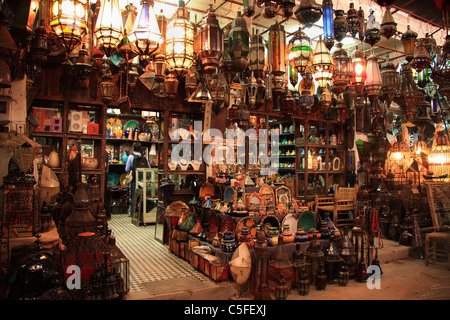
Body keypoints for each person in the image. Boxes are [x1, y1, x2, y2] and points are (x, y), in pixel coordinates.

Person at [125, 142, 150, 216]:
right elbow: (149, 168)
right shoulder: (144, 157)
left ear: (133, 148)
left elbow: (127, 169)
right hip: (143, 178)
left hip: (135, 178)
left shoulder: (131, 157)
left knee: (134, 194)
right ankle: (143, 211)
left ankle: (133, 212)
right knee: (144, 195)